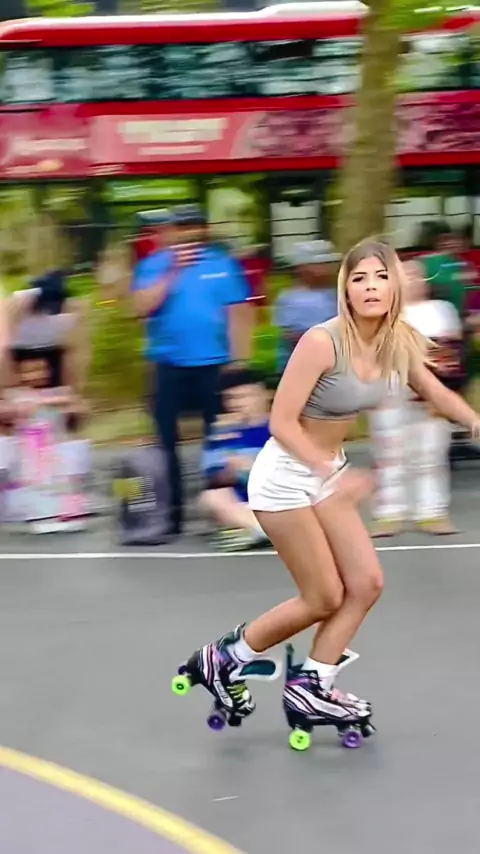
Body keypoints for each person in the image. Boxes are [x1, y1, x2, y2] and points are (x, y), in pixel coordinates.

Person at [175, 238, 480, 729]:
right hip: (286, 476)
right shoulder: (322, 341)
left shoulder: (397, 341)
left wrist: (475, 423)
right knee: (322, 596)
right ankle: (223, 658)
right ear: (346, 288)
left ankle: (313, 683)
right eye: (359, 278)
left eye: (381, 276)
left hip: (328, 472)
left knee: (366, 584)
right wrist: (326, 472)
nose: (371, 287)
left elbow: (435, 392)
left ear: (396, 285)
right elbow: (281, 422)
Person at [131, 204, 251, 537]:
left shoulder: (222, 264)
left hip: (215, 365)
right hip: (168, 365)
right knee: (165, 441)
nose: (189, 233)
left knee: (221, 441)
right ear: (170, 231)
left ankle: (222, 511)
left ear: (204, 230)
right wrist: (173, 271)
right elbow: (141, 308)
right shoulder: (152, 265)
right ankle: (170, 516)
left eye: (195, 226)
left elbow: (239, 314)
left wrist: (239, 364)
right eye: (182, 227)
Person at [370, 260, 463, 536]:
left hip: (431, 392)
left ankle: (431, 512)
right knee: (390, 455)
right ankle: (389, 514)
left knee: (431, 452)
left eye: (417, 275)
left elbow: (451, 353)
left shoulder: (441, 310)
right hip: (389, 392)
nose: (412, 280)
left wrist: (443, 390)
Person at [199, 368, 271, 552]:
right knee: (211, 497)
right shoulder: (221, 432)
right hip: (243, 504)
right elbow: (215, 480)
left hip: (281, 497)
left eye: (244, 396)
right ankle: (262, 529)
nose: (236, 404)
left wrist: (257, 467)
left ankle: (255, 530)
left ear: (263, 395)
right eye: (230, 398)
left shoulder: (283, 427)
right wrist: (230, 469)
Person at [274, 240, 339, 371]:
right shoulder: (291, 299)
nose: (328, 268)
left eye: (329, 263)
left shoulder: (335, 293)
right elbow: (293, 336)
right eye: (321, 264)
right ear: (302, 268)